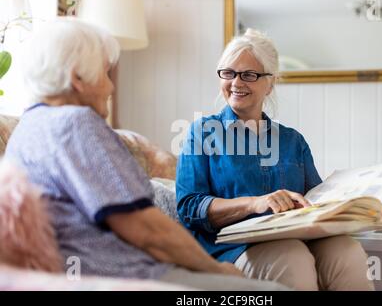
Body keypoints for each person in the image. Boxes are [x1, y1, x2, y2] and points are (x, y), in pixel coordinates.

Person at [4, 19, 288, 291]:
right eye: (104, 73)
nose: (110, 87)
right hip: (125, 276)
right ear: (77, 78)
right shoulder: (75, 124)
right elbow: (147, 230)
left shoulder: (27, 130)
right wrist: (216, 270)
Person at [176, 29, 382, 291]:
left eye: (249, 75)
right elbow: (189, 207)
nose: (236, 83)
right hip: (233, 248)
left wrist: (380, 203)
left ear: (271, 82)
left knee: (347, 251)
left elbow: (320, 202)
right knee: (292, 257)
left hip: (298, 238)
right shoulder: (202, 132)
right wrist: (255, 203)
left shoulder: (292, 141)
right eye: (228, 73)